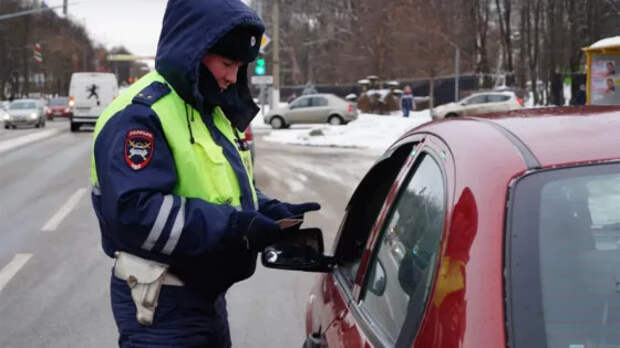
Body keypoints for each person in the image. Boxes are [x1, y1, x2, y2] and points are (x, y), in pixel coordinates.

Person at [90, 0, 321, 346]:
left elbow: (220, 184)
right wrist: (232, 226)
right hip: (161, 305)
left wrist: (264, 208)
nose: (232, 76)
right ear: (192, 51)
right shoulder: (141, 114)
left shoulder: (205, 106)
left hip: (203, 297)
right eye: (227, 63)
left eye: (239, 66)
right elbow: (135, 212)